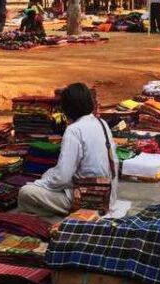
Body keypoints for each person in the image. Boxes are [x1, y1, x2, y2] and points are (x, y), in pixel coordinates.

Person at [17, 83, 118, 216]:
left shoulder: (73, 130)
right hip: (108, 196)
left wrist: (39, 183)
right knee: (49, 175)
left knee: (25, 193)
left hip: (87, 199)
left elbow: (62, 177)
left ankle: (58, 215)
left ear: (66, 108)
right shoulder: (102, 123)